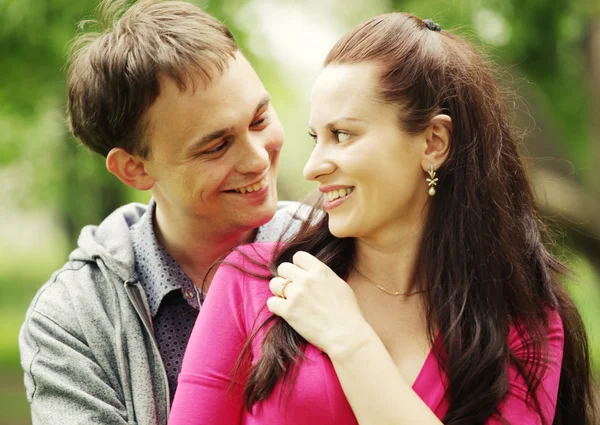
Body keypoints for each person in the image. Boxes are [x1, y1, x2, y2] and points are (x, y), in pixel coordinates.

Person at [168, 13, 597, 425]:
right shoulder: (255, 283)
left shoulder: (523, 324)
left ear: (432, 142)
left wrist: (350, 338)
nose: (313, 168)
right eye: (317, 138)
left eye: (343, 135)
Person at [18, 1, 303, 424]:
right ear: (134, 168)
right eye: (216, 146)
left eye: (259, 119)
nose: (258, 158)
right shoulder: (71, 319)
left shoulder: (333, 248)